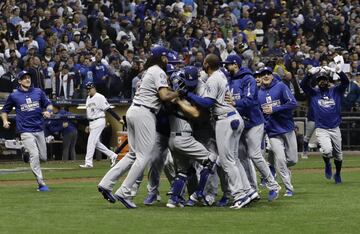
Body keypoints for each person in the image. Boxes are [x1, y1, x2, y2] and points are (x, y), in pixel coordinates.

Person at [97, 46, 179, 208]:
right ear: (160, 57)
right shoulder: (158, 71)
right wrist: (178, 93)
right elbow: (163, 96)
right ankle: (125, 192)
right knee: (144, 156)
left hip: (134, 110)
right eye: (165, 57)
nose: (167, 59)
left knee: (133, 155)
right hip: (145, 113)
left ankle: (106, 183)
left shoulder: (148, 71)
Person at [186, 54, 257, 209]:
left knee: (226, 161)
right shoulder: (221, 75)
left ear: (207, 64)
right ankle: (248, 191)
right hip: (233, 116)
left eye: (204, 63)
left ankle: (239, 195)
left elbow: (207, 102)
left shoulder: (214, 78)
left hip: (225, 119)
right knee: (234, 159)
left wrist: (189, 94)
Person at [224, 54, 281, 202]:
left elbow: (250, 99)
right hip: (240, 123)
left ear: (236, 64)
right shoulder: (229, 80)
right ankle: (252, 190)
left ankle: (273, 185)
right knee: (242, 157)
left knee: (255, 154)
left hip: (254, 122)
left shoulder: (247, 78)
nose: (226, 67)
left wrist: (235, 103)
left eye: (228, 65)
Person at [1, 71, 53, 192]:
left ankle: (26, 153)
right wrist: (4, 121)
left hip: (39, 128)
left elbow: (49, 104)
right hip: (25, 130)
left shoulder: (38, 92)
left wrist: (48, 112)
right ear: (19, 81)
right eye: (24, 78)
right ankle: (41, 184)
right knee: (35, 155)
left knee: (43, 158)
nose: (27, 79)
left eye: (29, 77)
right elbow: (4, 110)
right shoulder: (14, 95)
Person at [300, 65, 349, 184]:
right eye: (320, 80)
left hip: (335, 127)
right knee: (327, 151)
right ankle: (327, 163)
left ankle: (337, 173)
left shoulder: (336, 91)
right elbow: (303, 85)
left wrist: (339, 71)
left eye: (325, 79)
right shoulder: (314, 93)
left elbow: (346, 82)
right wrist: (309, 74)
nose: (322, 81)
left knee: (338, 155)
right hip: (321, 128)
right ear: (317, 82)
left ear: (328, 80)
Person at [258, 67, 298, 197]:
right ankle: (288, 188)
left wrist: (275, 108)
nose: (266, 76)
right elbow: (259, 113)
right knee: (280, 160)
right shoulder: (258, 94)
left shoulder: (281, 86)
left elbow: (293, 103)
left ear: (272, 75)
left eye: (268, 73)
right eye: (263, 74)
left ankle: (285, 170)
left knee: (292, 160)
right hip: (272, 131)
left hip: (287, 128)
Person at [80, 82, 120, 168]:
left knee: (91, 141)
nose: (88, 91)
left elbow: (108, 109)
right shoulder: (88, 98)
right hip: (92, 122)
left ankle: (88, 163)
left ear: (94, 88)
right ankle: (112, 155)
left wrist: (119, 119)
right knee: (96, 143)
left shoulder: (100, 97)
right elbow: (89, 113)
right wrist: (89, 125)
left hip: (99, 120)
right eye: (87, 89)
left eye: (89, 89)